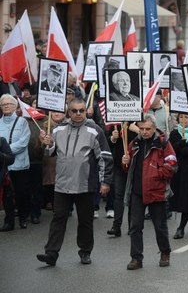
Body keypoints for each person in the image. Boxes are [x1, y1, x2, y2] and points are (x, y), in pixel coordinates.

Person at [36, 98, 113, 266]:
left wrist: (105, 181)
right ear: (68, 113)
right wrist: (47, 145)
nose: (78, 113)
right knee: (58, 218)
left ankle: (85, 251)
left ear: (86, 111)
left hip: (85, 184)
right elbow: (50, 153)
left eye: (82, 110)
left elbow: (105, 157)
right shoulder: (58, 129)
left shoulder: (95, 130)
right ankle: (51, 254)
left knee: (85, 221)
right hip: (62, 184)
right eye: (74, 111)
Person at [122, 114, 177, 270]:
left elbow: (172, 165)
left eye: (147, 129)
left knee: (160, 226)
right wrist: (124, 162)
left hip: (156, 191)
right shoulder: (135, 143)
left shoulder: (163, 143)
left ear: (154, 128)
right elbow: (127, 168)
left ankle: (165, 252)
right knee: (135, 227)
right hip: (137, 191)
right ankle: (136, 258)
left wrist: (156, 173)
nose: (144, 132)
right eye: (141, 129)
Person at [0, 94, 32, 231]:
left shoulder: (22, 122)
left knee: (20, 193)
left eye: (9, 104)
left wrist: (5, 151)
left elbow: (23, 143)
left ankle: (23, 217)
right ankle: (9, 221)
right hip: (3, 165)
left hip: (19, 164)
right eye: (3, 104)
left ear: (15, 106)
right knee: (7, 195)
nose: (6, 106)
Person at [105, 123, 137, 238]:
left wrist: (137, 130)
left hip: (135, 165)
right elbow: (107, 143)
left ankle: (132, 226)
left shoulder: (138, 122)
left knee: (133, 195)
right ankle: (116, 226)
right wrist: (113, 138)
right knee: (118, 194)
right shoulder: (116, 123)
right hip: (119, 164)